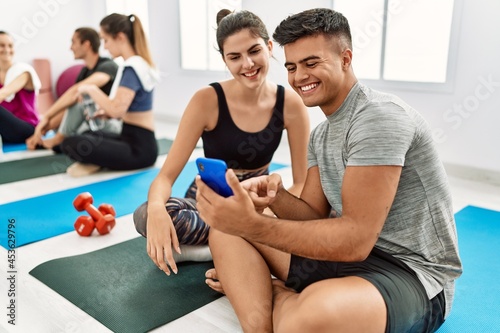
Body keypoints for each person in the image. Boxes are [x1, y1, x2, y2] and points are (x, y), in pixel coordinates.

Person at [196, 8, 462, 333]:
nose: (299, 77)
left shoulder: (379, 118)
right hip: (341, 258)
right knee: (224, 229)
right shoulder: (321, 135)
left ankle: (276, 296)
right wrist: (276, 198)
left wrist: (254, 225)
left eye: (311, 63)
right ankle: (262, 325)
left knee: (308, 318)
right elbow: (313, 218)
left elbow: (355, 241)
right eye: (292, 67)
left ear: (345, 59)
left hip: (409, 272)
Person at [133, 9, 309, 275]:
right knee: (146, 214)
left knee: (317, 220)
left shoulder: (290, 104)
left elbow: (301, 182)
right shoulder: (206, 100)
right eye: (235, 57)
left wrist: (271, 215)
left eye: (254, 51)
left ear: (269, 47)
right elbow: (165, 178)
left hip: (255, 206)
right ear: (225, 61)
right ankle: (226, 243)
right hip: (206, 206)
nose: (247, 64)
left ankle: (214, 246)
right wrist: (157, 209)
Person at [59, 13, 160, 177]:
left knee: (69, 143)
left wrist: (90, 88)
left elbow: (117, 110)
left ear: (120, 37)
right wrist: (105, 114)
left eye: (106, 40)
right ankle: (99, 160)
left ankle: (98, 161)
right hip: (132, 137)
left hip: (140, 150)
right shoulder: (138, 64)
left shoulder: (132, 68)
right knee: (86, 136)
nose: (104, 46)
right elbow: (123, 108)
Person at [26, 27, 121, 151]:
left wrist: (47, 116)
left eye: (73, 42)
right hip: (90, 122)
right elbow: (69, 106)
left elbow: (76, 91)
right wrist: (40, 131)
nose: (70, 48)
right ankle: (59, 137)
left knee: (80, 102)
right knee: (66, 114)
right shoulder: (84, 72)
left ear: (86, 44)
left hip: (112, 124)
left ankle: (59, 139)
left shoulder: (108, 66)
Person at [0, 31, 41, 143]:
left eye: (10, 46)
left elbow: (3, 93)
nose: (7, 50)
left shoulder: (24, 72)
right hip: (4, 132)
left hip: (26, 128)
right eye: (2, 45)